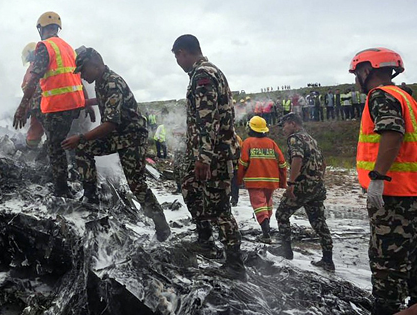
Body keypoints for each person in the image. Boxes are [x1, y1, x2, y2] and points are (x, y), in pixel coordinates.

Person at [62, 47, 171, 241]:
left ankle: (162, 227)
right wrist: (88, 102)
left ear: (95, 66)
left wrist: (82, 137)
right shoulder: (101, 80)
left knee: (137, 184)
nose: (82, 75)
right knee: (83, 150)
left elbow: (110, 124)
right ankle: (91, 197)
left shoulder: (113, 83)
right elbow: (105, 101)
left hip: (132, 138)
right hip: (118, 136)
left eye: (83, 70)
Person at [349, 48, 417, 315]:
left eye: (357, 72)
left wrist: (378, 178)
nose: (356, 79)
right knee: (416, 264)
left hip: (393, 196)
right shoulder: (407, 98)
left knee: (387, 268)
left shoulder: (380, 95)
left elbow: (392, 133)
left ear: (367, 71)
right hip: (415, 195)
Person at [172, 34, 246, 280]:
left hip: (214, 154)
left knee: (219, 208)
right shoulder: (204, 73)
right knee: (188, 188)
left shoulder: (203, 75)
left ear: (184, 52)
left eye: (177, 57)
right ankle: (205, 240)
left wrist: (203, 156)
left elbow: (208, 119)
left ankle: (235, 264)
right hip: (205, 151)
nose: (178, 62)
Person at [13, 11, 93, 197]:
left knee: (56, 149)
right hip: (74, 105)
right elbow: (78, 77)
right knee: (64, 142)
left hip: (58, 106)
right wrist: (86, 102)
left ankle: (61, 191)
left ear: (41, 29)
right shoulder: (68, 48)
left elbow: (34, 80)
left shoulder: (44, 47)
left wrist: (22, 107)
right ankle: (86, 186)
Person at [269, 113, 334, 271]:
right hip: (317, 186)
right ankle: (328, 259)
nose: (283, 129)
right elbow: (323, 163)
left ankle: (286, 251)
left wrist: (291, 183)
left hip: (302, 186)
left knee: (282, 214)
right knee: (318, 221)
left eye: (284, 126)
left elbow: (297, 159)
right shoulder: (311, 139)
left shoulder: (294, 138)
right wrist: (318, 180)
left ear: (292, 123)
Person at [237, 116, 287, 243]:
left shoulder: (248, 142)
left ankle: (266, 235)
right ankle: (267, 230)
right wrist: (282, 182)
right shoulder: (272, 143)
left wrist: (238, 180)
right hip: (271, 181)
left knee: (259, 206)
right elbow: (282, 163)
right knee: (267, 205)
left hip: (255, 181)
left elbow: (243, 163)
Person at [20, 42, 45, 149]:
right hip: (50, 103)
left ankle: (31, 152)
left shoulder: (33, 68)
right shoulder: (44, 64)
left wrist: (25, 108)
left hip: (40, 105)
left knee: (33, 137)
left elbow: (31, 87)